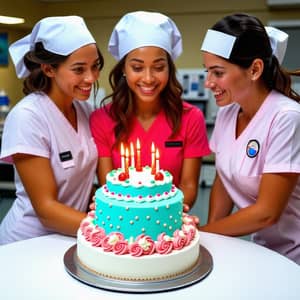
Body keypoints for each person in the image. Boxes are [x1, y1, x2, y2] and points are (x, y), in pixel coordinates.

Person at [199, 13, 300, 264]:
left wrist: (201, 235)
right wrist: (212, 242)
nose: (208, 83)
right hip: (265, 249)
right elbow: (224, 179)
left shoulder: (286, 117)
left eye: (218, 72)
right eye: (207, 71)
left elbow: (267, 213)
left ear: (254, 69)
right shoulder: (227, 114)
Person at [0, 16, 104, 244]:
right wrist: (113, 230)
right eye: (79, 69)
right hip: (28, 242)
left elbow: (80, 183)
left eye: (95, 66)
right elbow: (46, 209)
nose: (91, 77)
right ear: (49, 69)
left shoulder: (86, 111)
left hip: (72, 234)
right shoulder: (28, 116)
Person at [90, 11, 210, 209]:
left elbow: (188, 186)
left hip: (169, 226)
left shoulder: (190, 118)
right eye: (137, 68)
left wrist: (158, 217)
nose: (148, 78)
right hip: (122, 225)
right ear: (123, 69)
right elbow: (108, 187)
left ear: (169, 69)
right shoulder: (101, 120)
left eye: (158, 67)